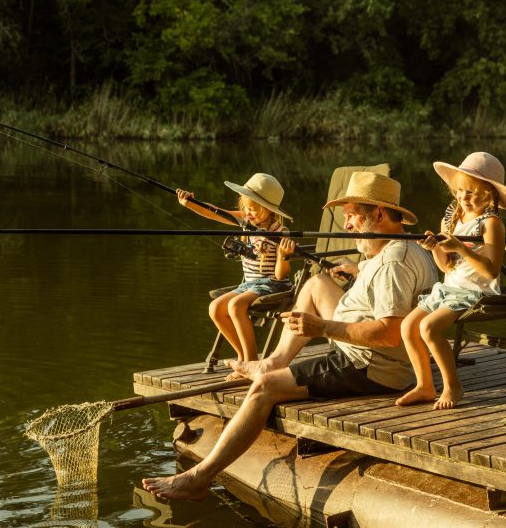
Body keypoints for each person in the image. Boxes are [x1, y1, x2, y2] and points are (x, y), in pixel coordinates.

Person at [143, 171, 437, 501]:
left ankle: (199, 477)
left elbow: (390, 334)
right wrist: (355, 271)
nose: (349, 225)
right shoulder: (400, 249)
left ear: (379, 215)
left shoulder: (392, 263)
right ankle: (272, 361)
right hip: (366, 347)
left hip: (367, 364)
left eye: (352, 216)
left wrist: (322, 327)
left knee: (264, 388)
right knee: (314, 285)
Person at [395, 152, 506, 410]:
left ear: (489, 194)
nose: (464, 197)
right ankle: (425, 385)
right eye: (460, 190)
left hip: (475, 291)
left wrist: (462, 248)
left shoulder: (491, 223)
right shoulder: (451, 219)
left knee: (428, 328)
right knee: (408, 326)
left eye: (472, 192)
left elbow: (492, 271)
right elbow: (445, 266)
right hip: (449, 289)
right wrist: (435, 247)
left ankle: (453, 386)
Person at [176, 173, 295, 368]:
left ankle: (251, 362)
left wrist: (283, 256)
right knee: (215, 308)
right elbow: (215, 212)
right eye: (246, 208)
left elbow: (281, 275)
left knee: (235, 306)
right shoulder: (245, 222)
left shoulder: (279, 232)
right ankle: (243, 358)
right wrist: (189, 203)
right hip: (248, 284)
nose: (249, 213)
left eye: (254, 209)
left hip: (273, 284)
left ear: (268, 209)